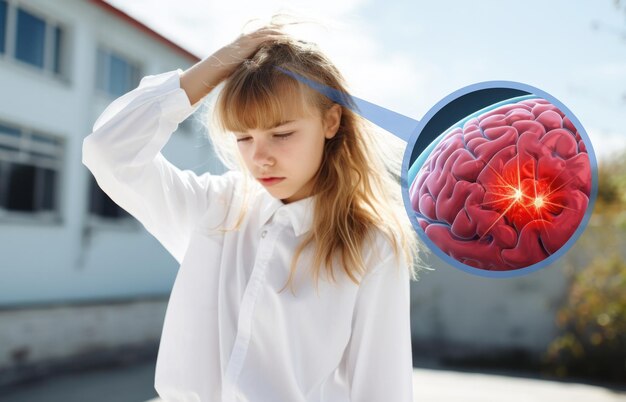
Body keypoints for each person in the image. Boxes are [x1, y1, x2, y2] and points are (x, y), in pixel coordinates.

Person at [82, 17, 422, 402]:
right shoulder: (216, 209)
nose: (259, 157)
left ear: (330, 121)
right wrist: (223, 61)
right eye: (243, 137)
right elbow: (108, 152)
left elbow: (381, 390)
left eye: (281, 134)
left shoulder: (372, 244)